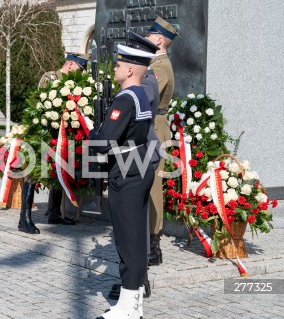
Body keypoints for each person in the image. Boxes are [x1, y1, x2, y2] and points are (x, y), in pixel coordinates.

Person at [90, 37, 157, 318]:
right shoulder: (141, 93)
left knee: (127, 240)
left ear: (131, 70)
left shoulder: (125, 98)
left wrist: (91, 132)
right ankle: (133, 302)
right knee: (137, 237)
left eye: (119, 65)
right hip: (140, 165)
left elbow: (105, 141)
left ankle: (128, 308)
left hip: (126, 170)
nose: (115, 69)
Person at [38, 52, 90, 226]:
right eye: (79, 69)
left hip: (68, 135)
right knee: (54, 170)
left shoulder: (76, 84)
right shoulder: (50, 78)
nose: (81, 73)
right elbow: (41, 102)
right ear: (70, 64)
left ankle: (56, 211)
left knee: (62, 169)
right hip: (51, 134)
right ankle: (53, 212)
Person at [145, 16, 180, 266]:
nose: (146, 38)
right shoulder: (156, 63)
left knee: (153, 187)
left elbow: (147, 96)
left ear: (158, 39)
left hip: (155, 128)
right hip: (155, 126)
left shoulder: (159, 66)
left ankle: (153, 246)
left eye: (149, 35)